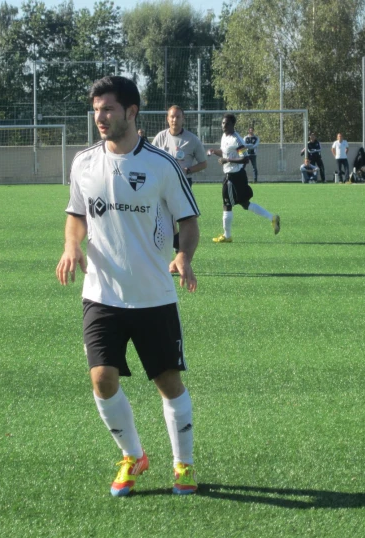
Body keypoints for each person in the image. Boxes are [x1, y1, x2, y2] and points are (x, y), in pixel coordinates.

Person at [56, 76, 200, 497]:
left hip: (154, 294)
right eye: (96, 109)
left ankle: (183, 464)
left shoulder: (161, 164)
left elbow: (188, 221)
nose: (99, 117)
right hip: (101, 293)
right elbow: (76, 215)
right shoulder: (83, 162)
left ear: (131, 112)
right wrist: (71, 246)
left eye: (108, 109)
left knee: (168, 383)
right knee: (101, 378)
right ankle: (133, 455)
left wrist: (184, 256)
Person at [208, 113, 281, 243]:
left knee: (227, 204)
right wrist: (214, 151)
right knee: (245, 204)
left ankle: (227, 235)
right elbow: (224, 151)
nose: (223, 126)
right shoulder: (225, 136)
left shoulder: (237, 140)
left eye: (226, 123)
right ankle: (272, 218)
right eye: (222, 123)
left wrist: (227, 160)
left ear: (232, 125)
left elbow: (245, 159)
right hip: (236, 176)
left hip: (233, 176)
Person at [152, 105, 207, 251]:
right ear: (167, 119)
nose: (174, 120)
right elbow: (150, 159)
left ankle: (181, 252)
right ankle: (176, 248)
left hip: (182, 185)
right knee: (165, 220)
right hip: (162, 184)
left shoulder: (192, 140)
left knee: (182, 219)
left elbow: (203, 163)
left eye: (177, 117)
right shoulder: (160, 137)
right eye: (171, 116)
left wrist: (188, 169)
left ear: (183, 119)